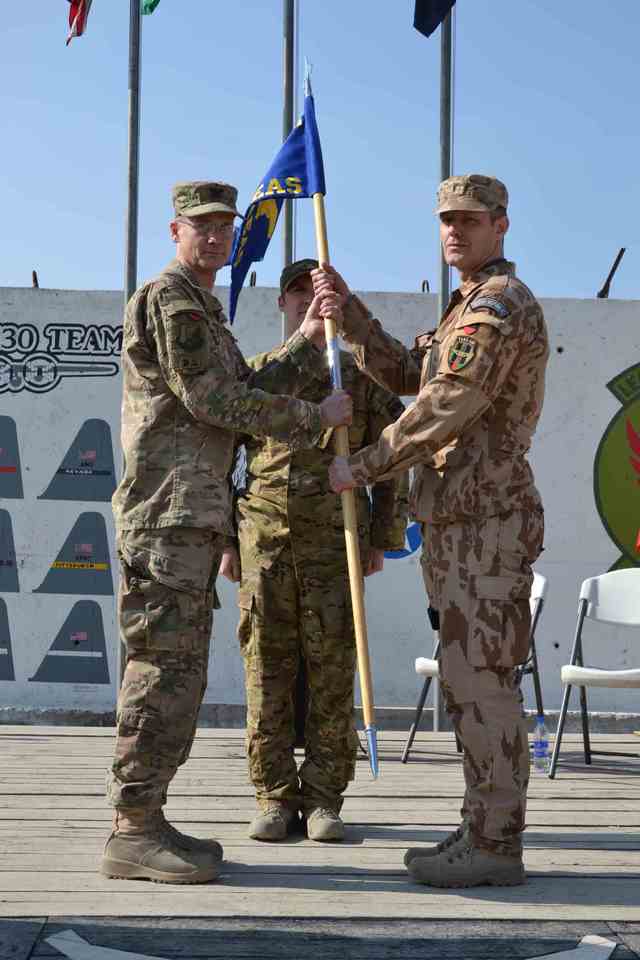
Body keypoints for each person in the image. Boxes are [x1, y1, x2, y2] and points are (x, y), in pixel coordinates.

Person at [103, 182, 352, 885]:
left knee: (178, 675)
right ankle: (132, 828)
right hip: (168, 516)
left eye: (225, 229)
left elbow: (244, 380)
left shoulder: (204, 307)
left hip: (191, 518)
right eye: (202, 228)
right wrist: (313, 418)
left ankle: (148, 816)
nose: (215, 239)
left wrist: (306, 342)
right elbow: (213, 400)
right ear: (175, 230)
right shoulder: (172, 299)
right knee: (161, 675)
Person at [314, 174, 549, 887]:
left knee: (483, 682)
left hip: (487, 524)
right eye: (447, 220)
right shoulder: (462, 311)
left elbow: (447, 402)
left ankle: (496, 842)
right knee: (465, 681)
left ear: (501, 225)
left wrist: (368, 463)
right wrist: (347, 313)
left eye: (470, 221)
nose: (455, 231)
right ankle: (482, 824)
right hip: (456, 524)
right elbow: (408, 375)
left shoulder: (498, 307)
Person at [219, 258, 408, 843]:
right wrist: (226, 539)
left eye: (320, 291)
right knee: (265, 673)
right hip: (265, 543)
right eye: (297, 292)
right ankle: (274, 797)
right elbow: (222, 456)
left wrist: (384, 536)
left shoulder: (359, 378)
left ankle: (324, 798)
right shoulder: (258, 374)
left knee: (330, 675)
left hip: (335, 544)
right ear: (281, 304)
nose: (308, 300)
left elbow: (394, 458)